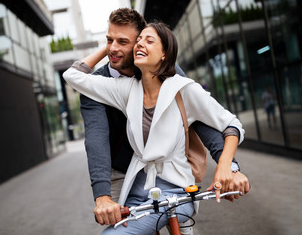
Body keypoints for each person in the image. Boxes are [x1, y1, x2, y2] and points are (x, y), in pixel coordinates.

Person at [63, 21, 247, 234]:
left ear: (164, 55)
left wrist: (227, 167)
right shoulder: (125, 89)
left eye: (147, 41)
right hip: (134, 184)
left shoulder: (182, 88)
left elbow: (226, 125)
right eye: (138, 41)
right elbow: (73, 77)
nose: (139, 45)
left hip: (177, 187)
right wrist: (112, 47)